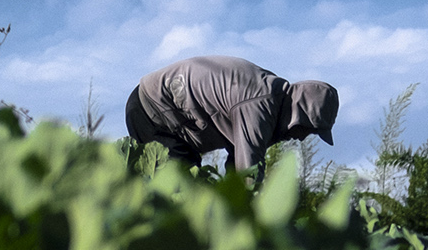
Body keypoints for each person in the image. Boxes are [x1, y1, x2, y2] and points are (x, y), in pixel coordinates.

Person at [121, 56, 339, 173]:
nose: (302, 137)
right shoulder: (260, 104)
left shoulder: (273, 105)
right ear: (300, 115)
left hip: (169, 118)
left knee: (190, 187)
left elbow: (237, 162)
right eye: (309, 130)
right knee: (182, 187)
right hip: (151, 108)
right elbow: (248, 173)